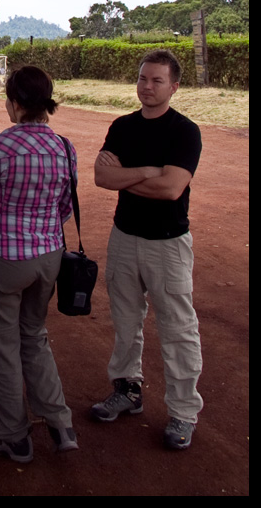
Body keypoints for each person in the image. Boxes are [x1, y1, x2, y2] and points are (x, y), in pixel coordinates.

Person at [0, 65, 78, 464]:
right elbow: (66, 207)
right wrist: (42, 232)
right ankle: (60, 424)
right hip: (48, 258)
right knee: (34, 335)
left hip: (4, 258)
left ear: (14, 104)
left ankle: (14, 436)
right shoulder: (64, 147)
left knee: (1, 347)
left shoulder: (0, 147)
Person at [91, 49, 203, 451]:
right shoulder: (122, 127)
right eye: (142, 78)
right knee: (125, 322)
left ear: (174, 87)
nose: (147, 87)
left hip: (168, 245)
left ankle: (183, 412)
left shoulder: (184, 132)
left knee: (178, 329)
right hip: (124, 238)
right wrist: (146, 172)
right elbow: (101, 178)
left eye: (157, 80)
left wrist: (124, 177)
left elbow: (171, 189)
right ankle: (127, 390)